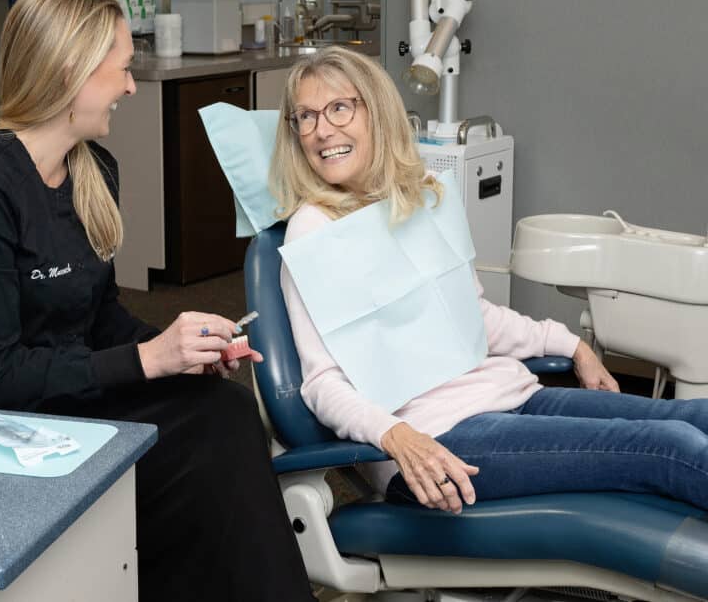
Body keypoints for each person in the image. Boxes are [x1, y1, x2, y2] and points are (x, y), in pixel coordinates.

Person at [0, 0, 315, 601]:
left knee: (221, 413)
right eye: (121, 69)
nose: (131, 86)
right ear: (71, 73)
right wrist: (150, 360)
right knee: (199, 459)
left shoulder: (93, 170)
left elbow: (99, 318)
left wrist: (180, 347)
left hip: (50, 407)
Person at [270, 46, 708, 515]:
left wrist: (568, 344)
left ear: (375, 110)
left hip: (509, 394)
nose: (322, 130)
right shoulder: (314, 231)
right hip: (438, 436)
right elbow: (322, 382)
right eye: (306, 117)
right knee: (668, 448)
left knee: (694, 418)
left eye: (339, 107)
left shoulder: (420, 201)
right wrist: (395, 436)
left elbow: (473, 318)